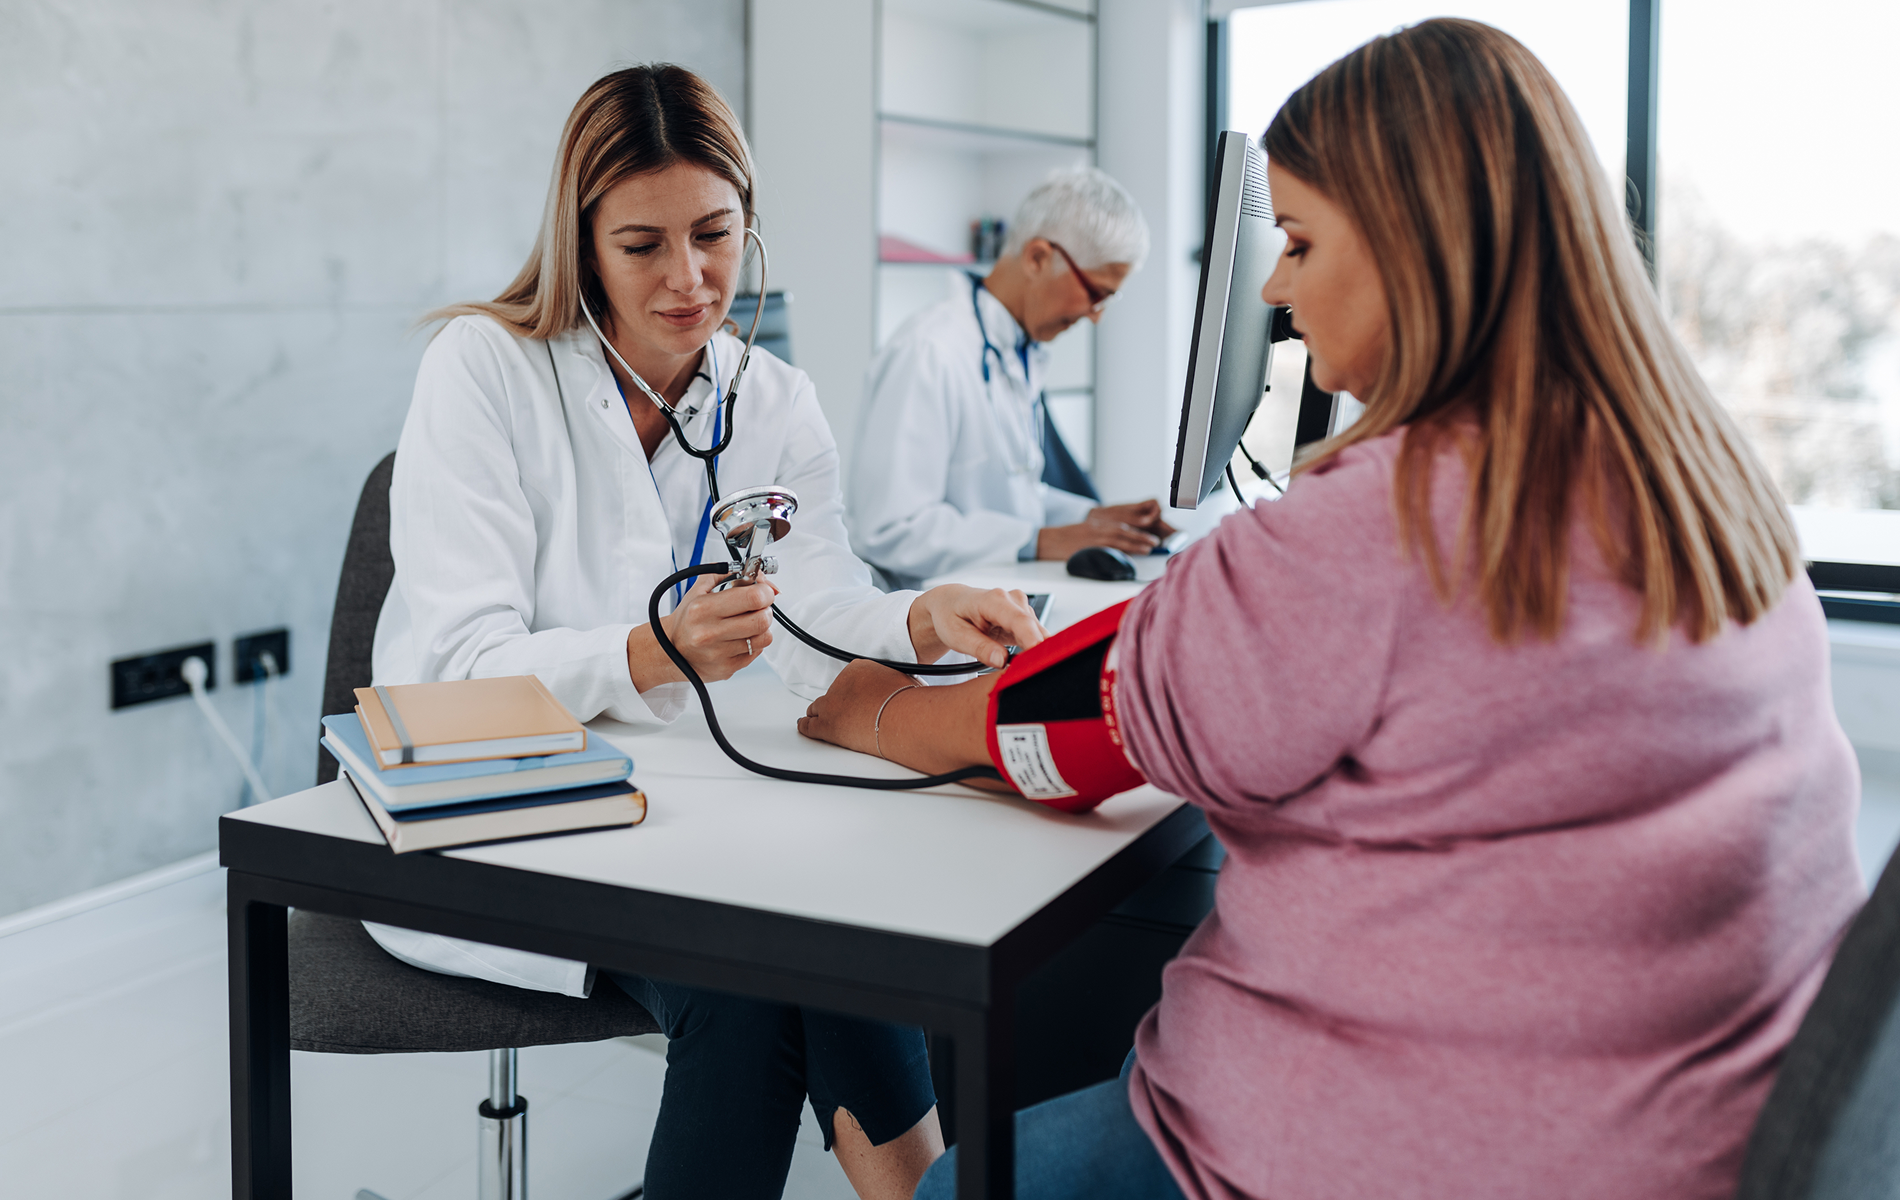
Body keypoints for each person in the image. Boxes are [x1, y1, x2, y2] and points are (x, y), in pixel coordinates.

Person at [798, 20, 1866, 1200]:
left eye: (1299, 240)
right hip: (1700, 1131)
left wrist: (877, 710)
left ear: (1414, 247)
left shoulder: (1383, 525)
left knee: (956, 1183)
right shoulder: (1705, 484)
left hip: (1419, 1156)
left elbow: (1051, 728)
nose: (1272, 284)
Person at [365, 64, 1045, 1200]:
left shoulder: (771, 399)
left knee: (824, 934)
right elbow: (449, 672)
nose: (689, 280)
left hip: (685, 815)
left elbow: (819, 601)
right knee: (751, 974)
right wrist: (648, 655)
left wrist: (919, 615)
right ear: (581, 241)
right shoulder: (483, 370)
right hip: (500, 816)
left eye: (715, 235)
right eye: (642, 246)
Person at [846, 167, 1176, 589]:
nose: (1096, 316)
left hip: (996, 595)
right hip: (928, 621)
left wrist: (1089, 519)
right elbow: (890, 529)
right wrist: (1038, 540)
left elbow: (1010, 496)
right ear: (1038, 257)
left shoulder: (1018, 353)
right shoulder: (929, 352)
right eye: (1096, 294)